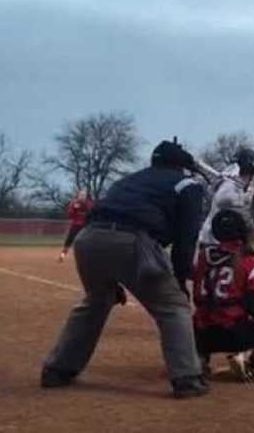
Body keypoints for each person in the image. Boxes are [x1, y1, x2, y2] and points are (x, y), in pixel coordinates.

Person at [40, 140, 209, 399]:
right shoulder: (187, 185)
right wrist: (180, 281)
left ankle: (57, 369)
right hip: (133, 240)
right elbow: (185, 239)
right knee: (173, 306)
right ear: (182, 166)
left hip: (88, 240)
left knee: (97, 300)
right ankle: (186, 377)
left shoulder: (129, 181)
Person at [193, 209, 254, 382]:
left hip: (201, 332)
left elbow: (197, 292)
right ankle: (247, 361)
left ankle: (199, 359)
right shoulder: (251, 260)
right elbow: (252, 306)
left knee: (199, 319)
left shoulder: (203, 256)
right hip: (233, 332)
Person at [198, 148, 254, 250]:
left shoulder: (227, 183)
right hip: (218, 244)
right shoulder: (231, 191)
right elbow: (244, 217)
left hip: (210, 240)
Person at [59, 190, 93, 262]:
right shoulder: (74, 203)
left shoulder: (89, 203)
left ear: (86, 196)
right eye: (81, 195)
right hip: (76, 225)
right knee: (69, 240)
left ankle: (86, 258)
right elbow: (69, 215)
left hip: (85, 226)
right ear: (78, 195)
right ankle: (62, 256)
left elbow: (91, 213)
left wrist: (86, 209)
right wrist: (74, 208)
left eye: (84, 195)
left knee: (86, 242)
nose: (82, 196)